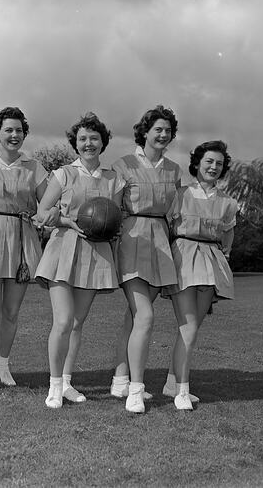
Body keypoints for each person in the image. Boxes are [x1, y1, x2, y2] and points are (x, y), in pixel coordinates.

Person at [35, 113, 124, 409]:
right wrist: (69, 221)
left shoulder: (113, 180)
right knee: (62, 321)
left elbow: (117, 218)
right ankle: (54, 386)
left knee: (76, 323)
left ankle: (68, 382)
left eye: (94, 139)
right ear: (75, 143)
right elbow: (43, 213)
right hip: (63, 250)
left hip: (95, 255)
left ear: (103, 143)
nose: (88, 144)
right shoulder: (62, 175)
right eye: (83, 139)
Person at [0, 107, 56, 395]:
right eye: (8, 130)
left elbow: (48, 205)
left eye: (19, 130)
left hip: (21, 240)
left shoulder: (35, 168)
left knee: (12, 312)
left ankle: (4, 367)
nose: (14, 135)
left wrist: (46, 216)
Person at [109, 106, 182, 413]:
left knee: (135, 316)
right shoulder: (122, 164)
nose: (163, 135)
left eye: (167, 130)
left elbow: (177, 212)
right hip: (131, 239)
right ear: (145, 132)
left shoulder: (175, 170)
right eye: (158, 129)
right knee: (146, 316)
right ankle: (136, 391)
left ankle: (120, 378)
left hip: (160, 243)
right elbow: (111, 210)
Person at [162, 140, 237, 410]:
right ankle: (182, 390)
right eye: (209, 161)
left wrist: (222, 258)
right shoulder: (179, 194)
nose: (213, 167)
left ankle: (172, 383)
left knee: (192, 329)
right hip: (183, 259)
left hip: (211, 263)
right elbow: (167, 228)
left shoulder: (228, 203)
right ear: (197, 163)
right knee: (189, 328)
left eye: (218, 163)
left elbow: (228, 237)